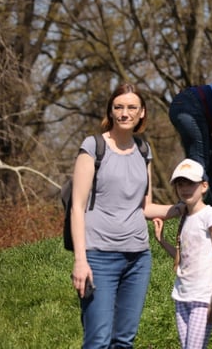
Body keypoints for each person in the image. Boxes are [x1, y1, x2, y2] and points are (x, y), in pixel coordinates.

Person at [69, 82, 184, 349]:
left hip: (138, 259)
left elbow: (144, 207)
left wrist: (182, 208)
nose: (125, 113)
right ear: (110, 111)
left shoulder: (144, 151)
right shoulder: (93, 147)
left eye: (132, 107)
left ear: (142, 112)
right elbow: (77, 207)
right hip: (98, 257)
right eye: (118, 107)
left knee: (124, 340)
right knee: (97, 340)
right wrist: (80, 260)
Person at [153, 159, 212, 349]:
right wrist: (161, 241)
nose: (184, 189)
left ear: (204, 186)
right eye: (180, 184)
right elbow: (183, 259)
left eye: (190, 183)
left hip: (203, 297)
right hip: (181, 295)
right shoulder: (185, 217)